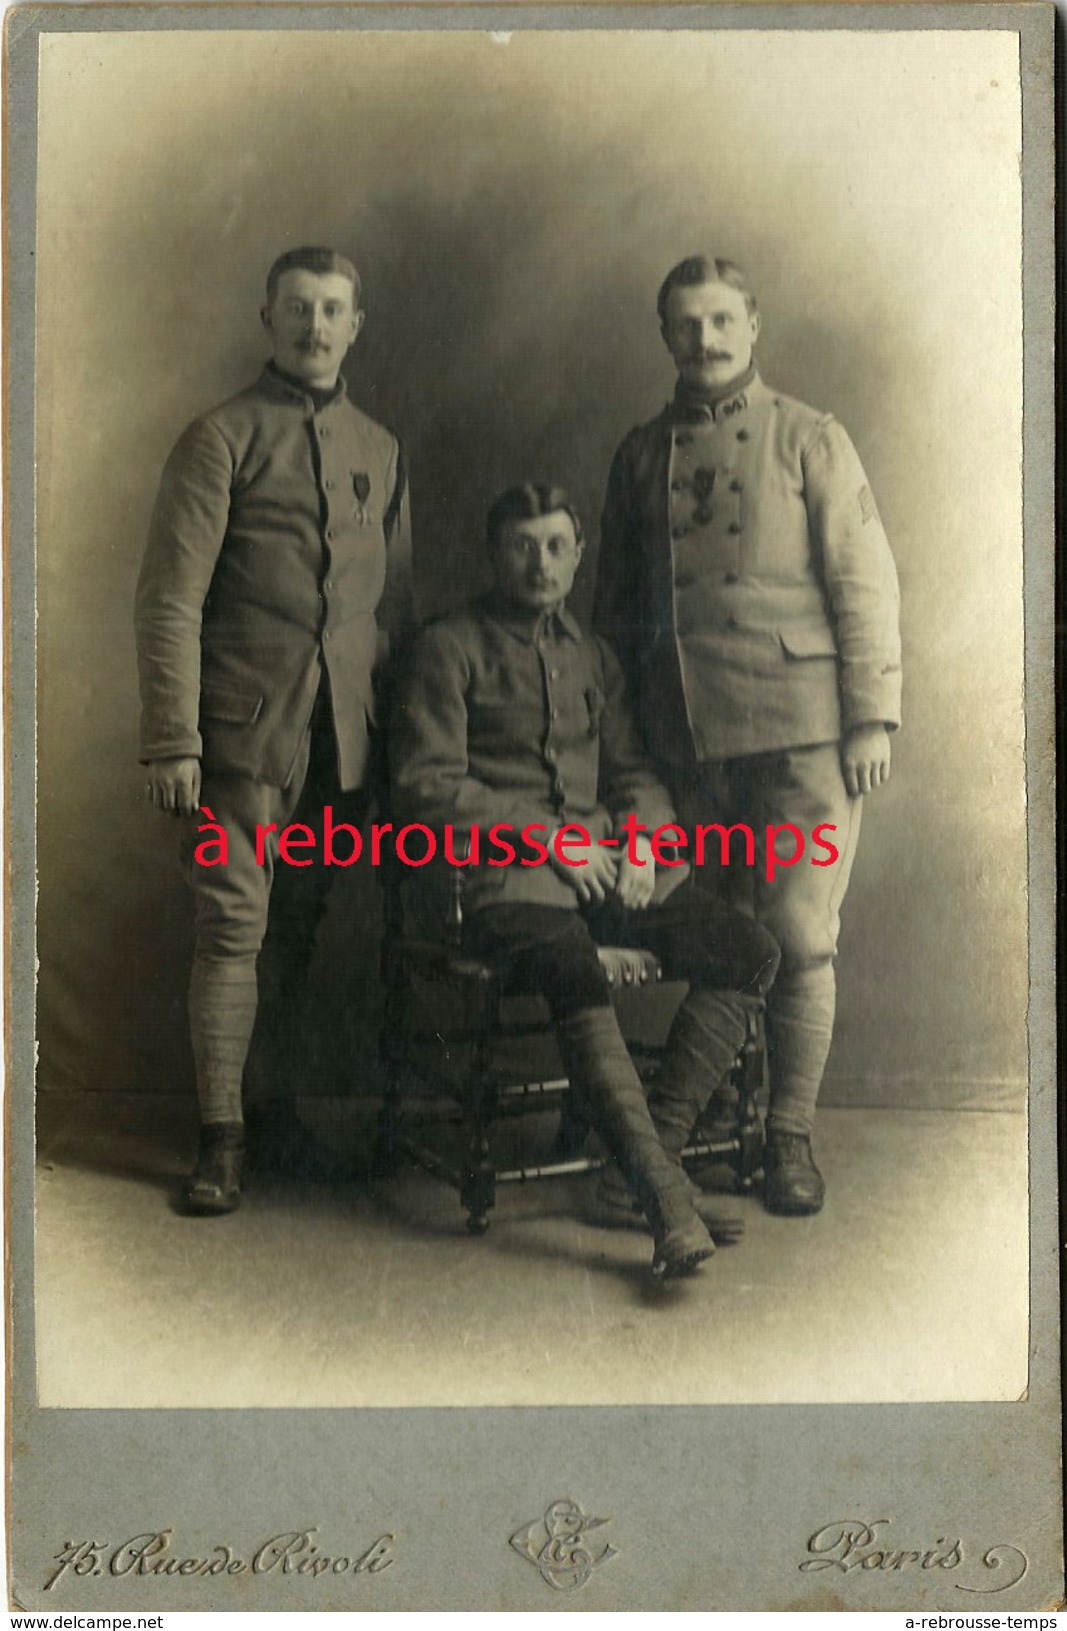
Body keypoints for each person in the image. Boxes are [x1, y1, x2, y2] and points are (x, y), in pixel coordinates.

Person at [389, 483, 779, 1281]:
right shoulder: (449, 646)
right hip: (497, 877)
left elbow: (632, 769)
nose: (540, 564)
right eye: (522, 546)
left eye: (556, 546)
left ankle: (637, 1169)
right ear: (493, 553)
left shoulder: (592, 653)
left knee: (747, 948)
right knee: (568, 960)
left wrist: (641, 844)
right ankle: (664, 1200)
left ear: (577, 554)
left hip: (605, 866)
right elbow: (426, 786)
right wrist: (544, 837)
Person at [595, 255, 901, 1216]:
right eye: (686, 325)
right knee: (732, 943)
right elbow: (612, 616)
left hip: (801, 737)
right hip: (686, 742)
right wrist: (627, 752)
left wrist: (869, 716)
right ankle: (694, 1132)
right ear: (664, 335)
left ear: (754, 326)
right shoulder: (642, 453)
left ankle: (787, 1140)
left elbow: (864, 581)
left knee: (801, 936)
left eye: (722, 321)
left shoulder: (808, 437)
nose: (706, 340)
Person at [136, 245, 413, 1214]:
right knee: (232, 927)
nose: (314, 325)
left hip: (343, 739)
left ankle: (272, 1111)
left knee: (297, 931)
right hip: (239, 738)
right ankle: (219, 1141)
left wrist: (398, 747)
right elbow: (170, 599)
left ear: (355, 324)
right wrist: (174, 736)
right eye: (296, 307)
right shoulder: (220, 438)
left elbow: (391, 611)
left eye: (333, 308)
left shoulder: (378, 447)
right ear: (267, 317)